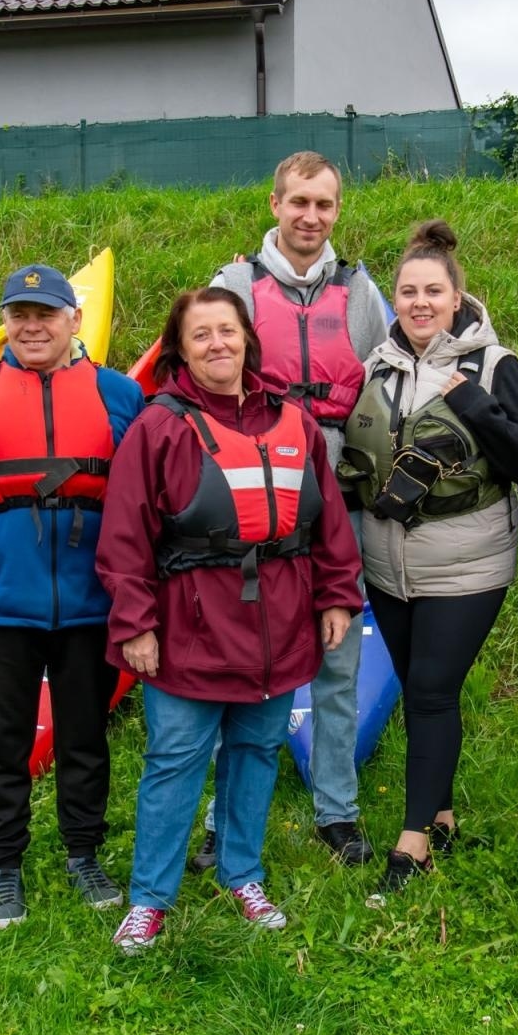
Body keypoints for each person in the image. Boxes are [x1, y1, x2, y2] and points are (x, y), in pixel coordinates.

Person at [98, 287, 362, 954]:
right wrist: (135, 624)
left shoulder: (295, 422)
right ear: (180, 350)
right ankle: (150, 898)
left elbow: (329, 521)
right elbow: (125, 536)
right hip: (191, 629)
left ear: (247, 337)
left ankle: (241, 872)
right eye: (200, 335)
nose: (218, 344)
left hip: (280, 624)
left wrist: (336, 596)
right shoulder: (160, 428)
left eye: (227, 330)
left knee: (254, 755)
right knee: (174, 762)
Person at [0, 264, 144, 928]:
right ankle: (4, 866)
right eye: (19, 314)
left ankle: (83, 852)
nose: (32, 326)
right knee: (1, 739)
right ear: (5, 323)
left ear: (73, 320)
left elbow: (150, 503)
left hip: (91, 604)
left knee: (84, 737)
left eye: (46, 313)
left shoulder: (119, 395)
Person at [192, 150, 390, 869]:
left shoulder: (360, 291)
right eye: (299, 201)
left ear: (337, 211)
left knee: (338, 657)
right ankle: (222, 817)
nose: (311, 216)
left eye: (325, 205)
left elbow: (383, 386)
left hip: (338, 499)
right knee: (244, 658)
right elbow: (204, 383)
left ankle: (337, 810)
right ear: (275, 203)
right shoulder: (234, 284)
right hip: (256, 502)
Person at [338, 220, 518, 893]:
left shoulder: (495, 365)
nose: (420, 302)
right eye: (408, 291)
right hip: (386, 563)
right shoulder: (377, 365)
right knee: (429, 692)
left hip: (467, 562)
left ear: (458, 298)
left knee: (430, 690)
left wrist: (475, 405)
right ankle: (444, 815)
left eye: (434, 290)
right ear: (394, 300)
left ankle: (412, 844)